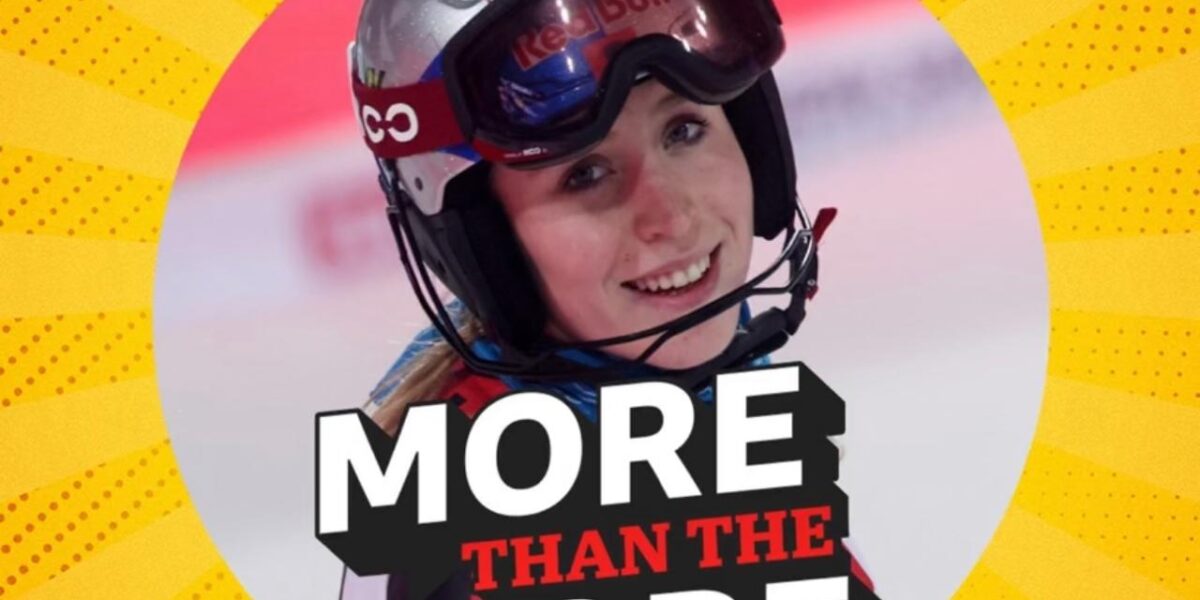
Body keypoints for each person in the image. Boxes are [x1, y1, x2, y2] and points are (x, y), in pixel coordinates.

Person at [339, 0, 873, 597]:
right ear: (487, 247)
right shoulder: (489, 540)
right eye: (585, 174)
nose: (671, 218)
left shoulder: (702, 440)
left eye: (684, 130)